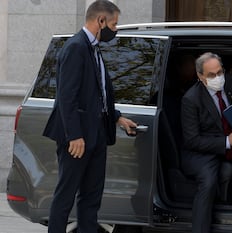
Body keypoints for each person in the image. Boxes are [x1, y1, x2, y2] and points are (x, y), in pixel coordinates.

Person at [42, 1, 137, 232]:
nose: (115, 30)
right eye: (114, 24)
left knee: (91, 199)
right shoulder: (76, 47)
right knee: (65, 197)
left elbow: (96, 94)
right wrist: (74, 135)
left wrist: (116, 117)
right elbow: (67, 98)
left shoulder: (93, 49)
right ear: (100, 21)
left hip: (97, 136)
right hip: (78, 139)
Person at [180, 52, 232, 233]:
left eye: (220, 72)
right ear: (200, 77)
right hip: (203, 152)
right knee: (208, 182)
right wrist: (226, 141)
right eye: (211, 75)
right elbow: (192, 140)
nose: (218, 78)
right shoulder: (191, 99)